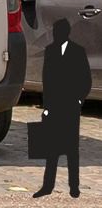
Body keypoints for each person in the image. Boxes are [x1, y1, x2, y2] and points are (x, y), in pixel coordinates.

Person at [36, 16, 91, 198]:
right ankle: (47, 186)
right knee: (51, 150)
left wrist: (78, 100)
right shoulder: (50, 51)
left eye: (58, 32)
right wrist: (46, 106)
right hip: (54, 106)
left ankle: (74, 186)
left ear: (65, 33)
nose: (55, 35)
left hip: (70, 107)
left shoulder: (77, 51)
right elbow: (47, 80)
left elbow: (85, 79)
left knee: (72, 150)